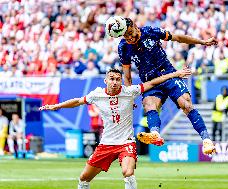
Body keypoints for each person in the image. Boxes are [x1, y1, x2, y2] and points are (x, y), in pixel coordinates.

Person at [39, 68, 192, 189]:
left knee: (128, 172)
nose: (115, 82)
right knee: (84, 178)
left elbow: (152, 83)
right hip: (106, 144)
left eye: (118, 79)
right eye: (112, 79)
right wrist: (56, 105)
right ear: (106, 80)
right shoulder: (97, 95)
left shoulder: (129, 91)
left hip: (126, 142)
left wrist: (176, 74)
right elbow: (78, 101)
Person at [105, 16, 218, 149]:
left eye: (130, 33)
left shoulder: (150, 32)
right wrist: (129, 96)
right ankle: (155, 134)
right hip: (150, 82)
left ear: (135, 27)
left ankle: (206, 140)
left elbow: (178, 38)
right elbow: (127, 76)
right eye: (125, 36)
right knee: (149, 105)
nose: (129, 38)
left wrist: (202, 42)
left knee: (185, 103)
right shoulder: (123, 47)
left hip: (168, 74)